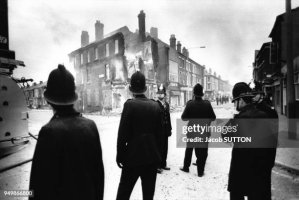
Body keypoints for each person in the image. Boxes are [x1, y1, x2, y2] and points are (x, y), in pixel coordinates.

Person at [29, 64, 104, 200]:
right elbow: (99, 176)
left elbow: (38, 186)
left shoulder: (48, 132)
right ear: (73, 98)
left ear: (49, 100)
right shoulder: (91, 126)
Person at [223, 82, 278, 200]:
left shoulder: (239, 120)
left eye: (235, 101)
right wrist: (268, 166)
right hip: (260, 174)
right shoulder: (265, 116)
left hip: (240, 173)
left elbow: (225, 135)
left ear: (241, 100)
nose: (235, 105)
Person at [116, 71, 163, 200]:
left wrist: (120, 155)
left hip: (132, 158)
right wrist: (160, 159)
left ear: (131, 89)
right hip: (151, 158)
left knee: (123, 194)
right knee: (148, 195)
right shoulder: (156, 106)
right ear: (145, 88)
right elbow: (161, 137)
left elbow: (122, 135)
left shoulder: (129, 105)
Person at [180, 83, 216, 177]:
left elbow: (183, 118)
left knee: (189, 149)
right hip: (204, 131)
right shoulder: (207, 104)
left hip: (192, 131)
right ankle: (200, 171)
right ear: (202, 93)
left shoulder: (190, 103)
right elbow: (213, 118)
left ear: (194, 93)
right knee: (203, 151)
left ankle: (186, 167)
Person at [156, 84, 172, 173]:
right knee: (159, 148)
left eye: (162, 93)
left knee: (165, 148)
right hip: (159, 130)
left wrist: (170, 129)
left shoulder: (167, 104)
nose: (160, 95)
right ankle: (157, 166)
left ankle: (163, 164)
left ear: (164, 94)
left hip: (165, 129)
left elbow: (168, 117)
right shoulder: (155, 104)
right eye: (159, 93)